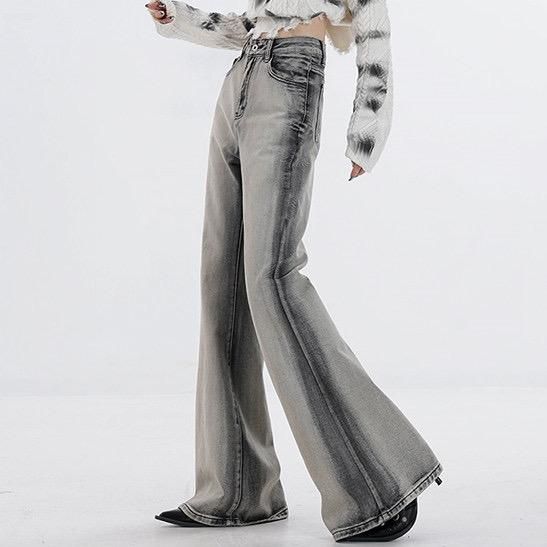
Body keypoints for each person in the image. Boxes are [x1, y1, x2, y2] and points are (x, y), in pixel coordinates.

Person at [146, 0, 443, 542]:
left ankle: (380, 482)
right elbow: (252, 27)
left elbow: (374, 33)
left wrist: (367, 129)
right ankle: (238, 491)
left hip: (291, 79)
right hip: (242, 77)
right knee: (223, 282)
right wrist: (180, 19)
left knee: (272, 278)